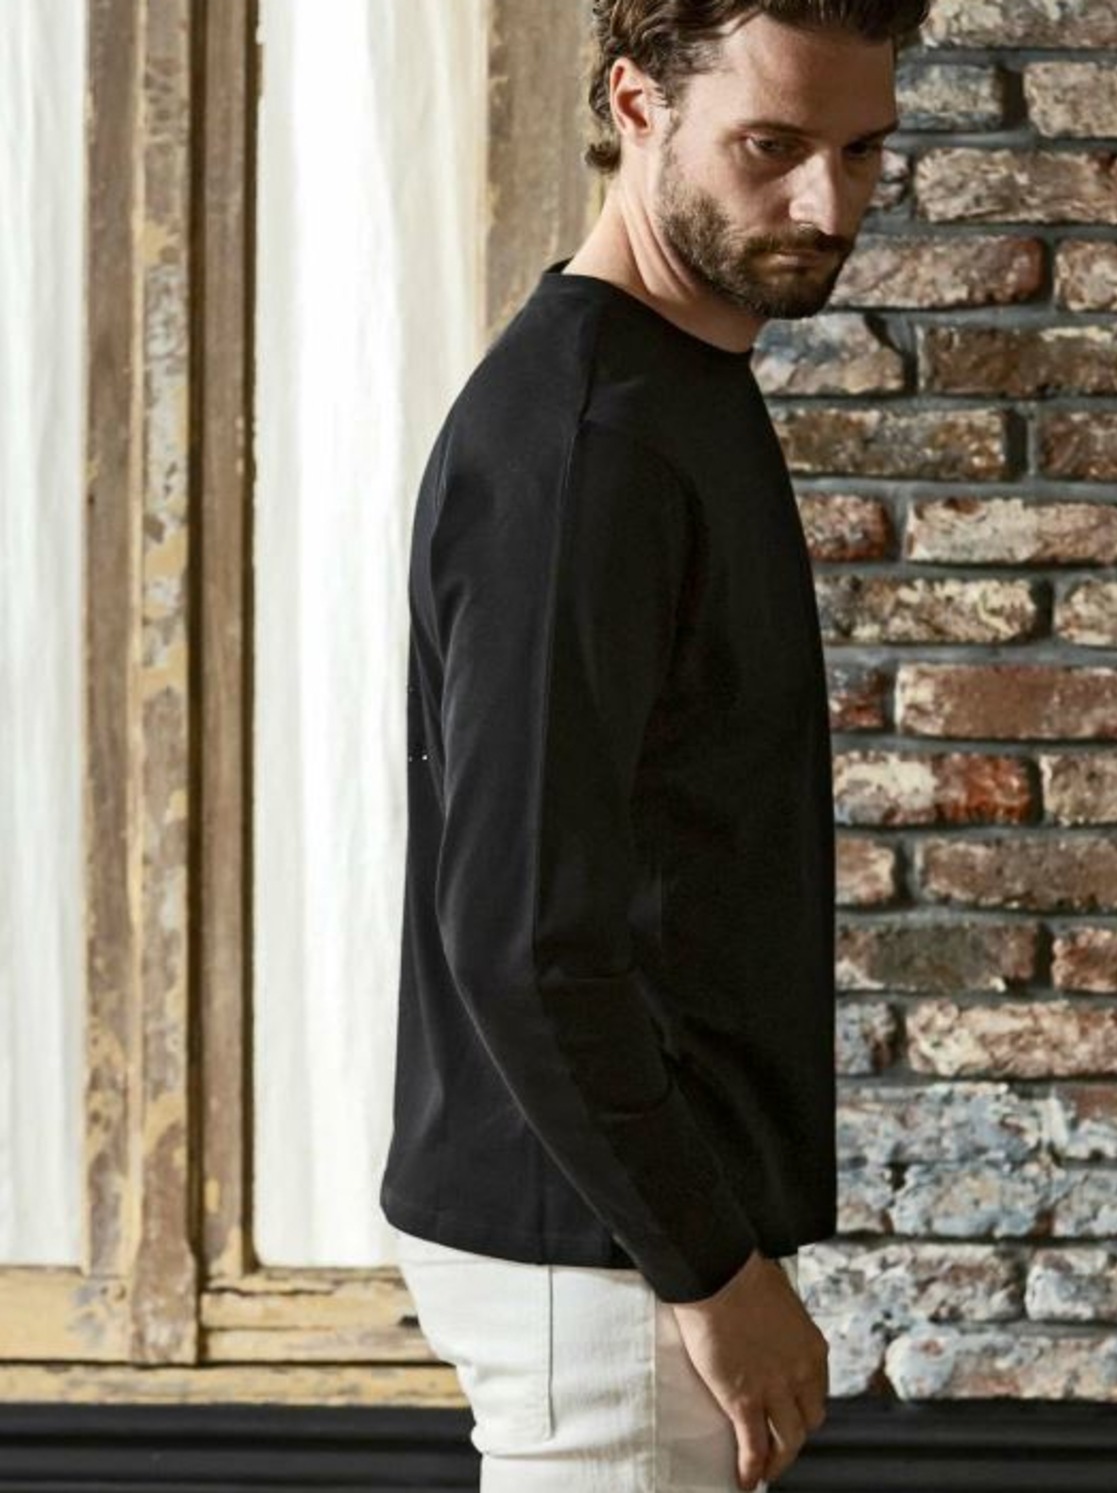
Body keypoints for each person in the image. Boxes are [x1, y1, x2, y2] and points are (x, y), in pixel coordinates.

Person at [380, 2, 926, 1488]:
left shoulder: (670, 385)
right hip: (608, 1271)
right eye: (773, 146)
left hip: (628, 1241)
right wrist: (712, 1271)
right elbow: (520, 934)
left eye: (861, 150)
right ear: (638, 104)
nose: (828, 205)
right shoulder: (592, 444)